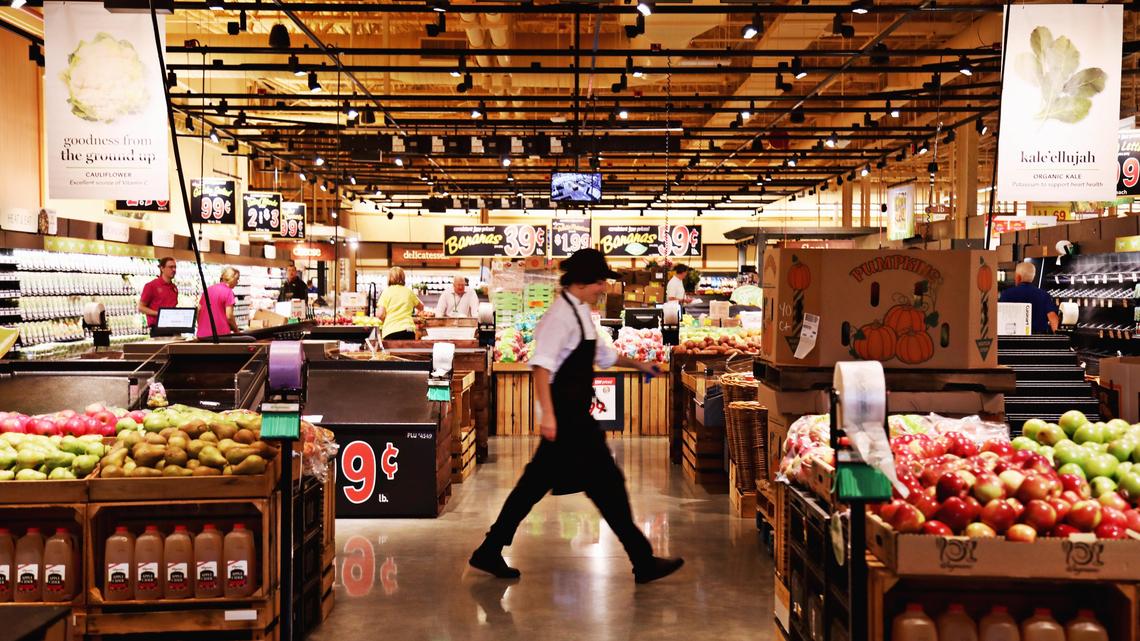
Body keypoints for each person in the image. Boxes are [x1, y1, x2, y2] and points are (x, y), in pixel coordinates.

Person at [468, 248, 684, 585]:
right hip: (567, 420)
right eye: (600, 282)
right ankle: (643, 561)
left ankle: (490, 549)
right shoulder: (559, 316)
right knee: (606, 485)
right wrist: (548, 417)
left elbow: (603, 355)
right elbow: (541, 367)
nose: (603, 288)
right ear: (583, 282)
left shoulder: (581, 312)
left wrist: (640, 364)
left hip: (574, 418)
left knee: (537, 486)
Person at [999, 261, 1059, 333]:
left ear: (1018, 277)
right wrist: (1058, 337)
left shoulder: (1006, 294)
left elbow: (1000, 317)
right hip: (1038, 341)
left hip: (1013, 339)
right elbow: (1052, 318)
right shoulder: (1044, 295)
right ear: (1033, 277)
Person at [378, 266, 424, 340]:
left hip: (390, 330)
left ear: (389, 278)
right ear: (403, 277)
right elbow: (421, 307)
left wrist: (385, 320)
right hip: (409, 330)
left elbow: (380, 314)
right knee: (407, 351)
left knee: (392, 352)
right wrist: (414, 317)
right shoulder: (409, 292)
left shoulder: (386, 292)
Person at [138, 257, 179, 337]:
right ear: (162, 268)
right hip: (158, 329)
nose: (174, 270)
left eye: (175, 267)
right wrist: (159, 313)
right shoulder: (151, 286)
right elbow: (141, 307)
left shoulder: (174, 288)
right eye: (171, 267)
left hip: (173, 327)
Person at [197, 267, 241, 338]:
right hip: (220, 335)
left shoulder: (208, 289)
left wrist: (201, 327)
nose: (237, 282)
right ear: (232, 279)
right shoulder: (228, 292)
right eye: (237, 279)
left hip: (202, 335)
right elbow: (229, 316)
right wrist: (237, 331)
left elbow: (199, 310)